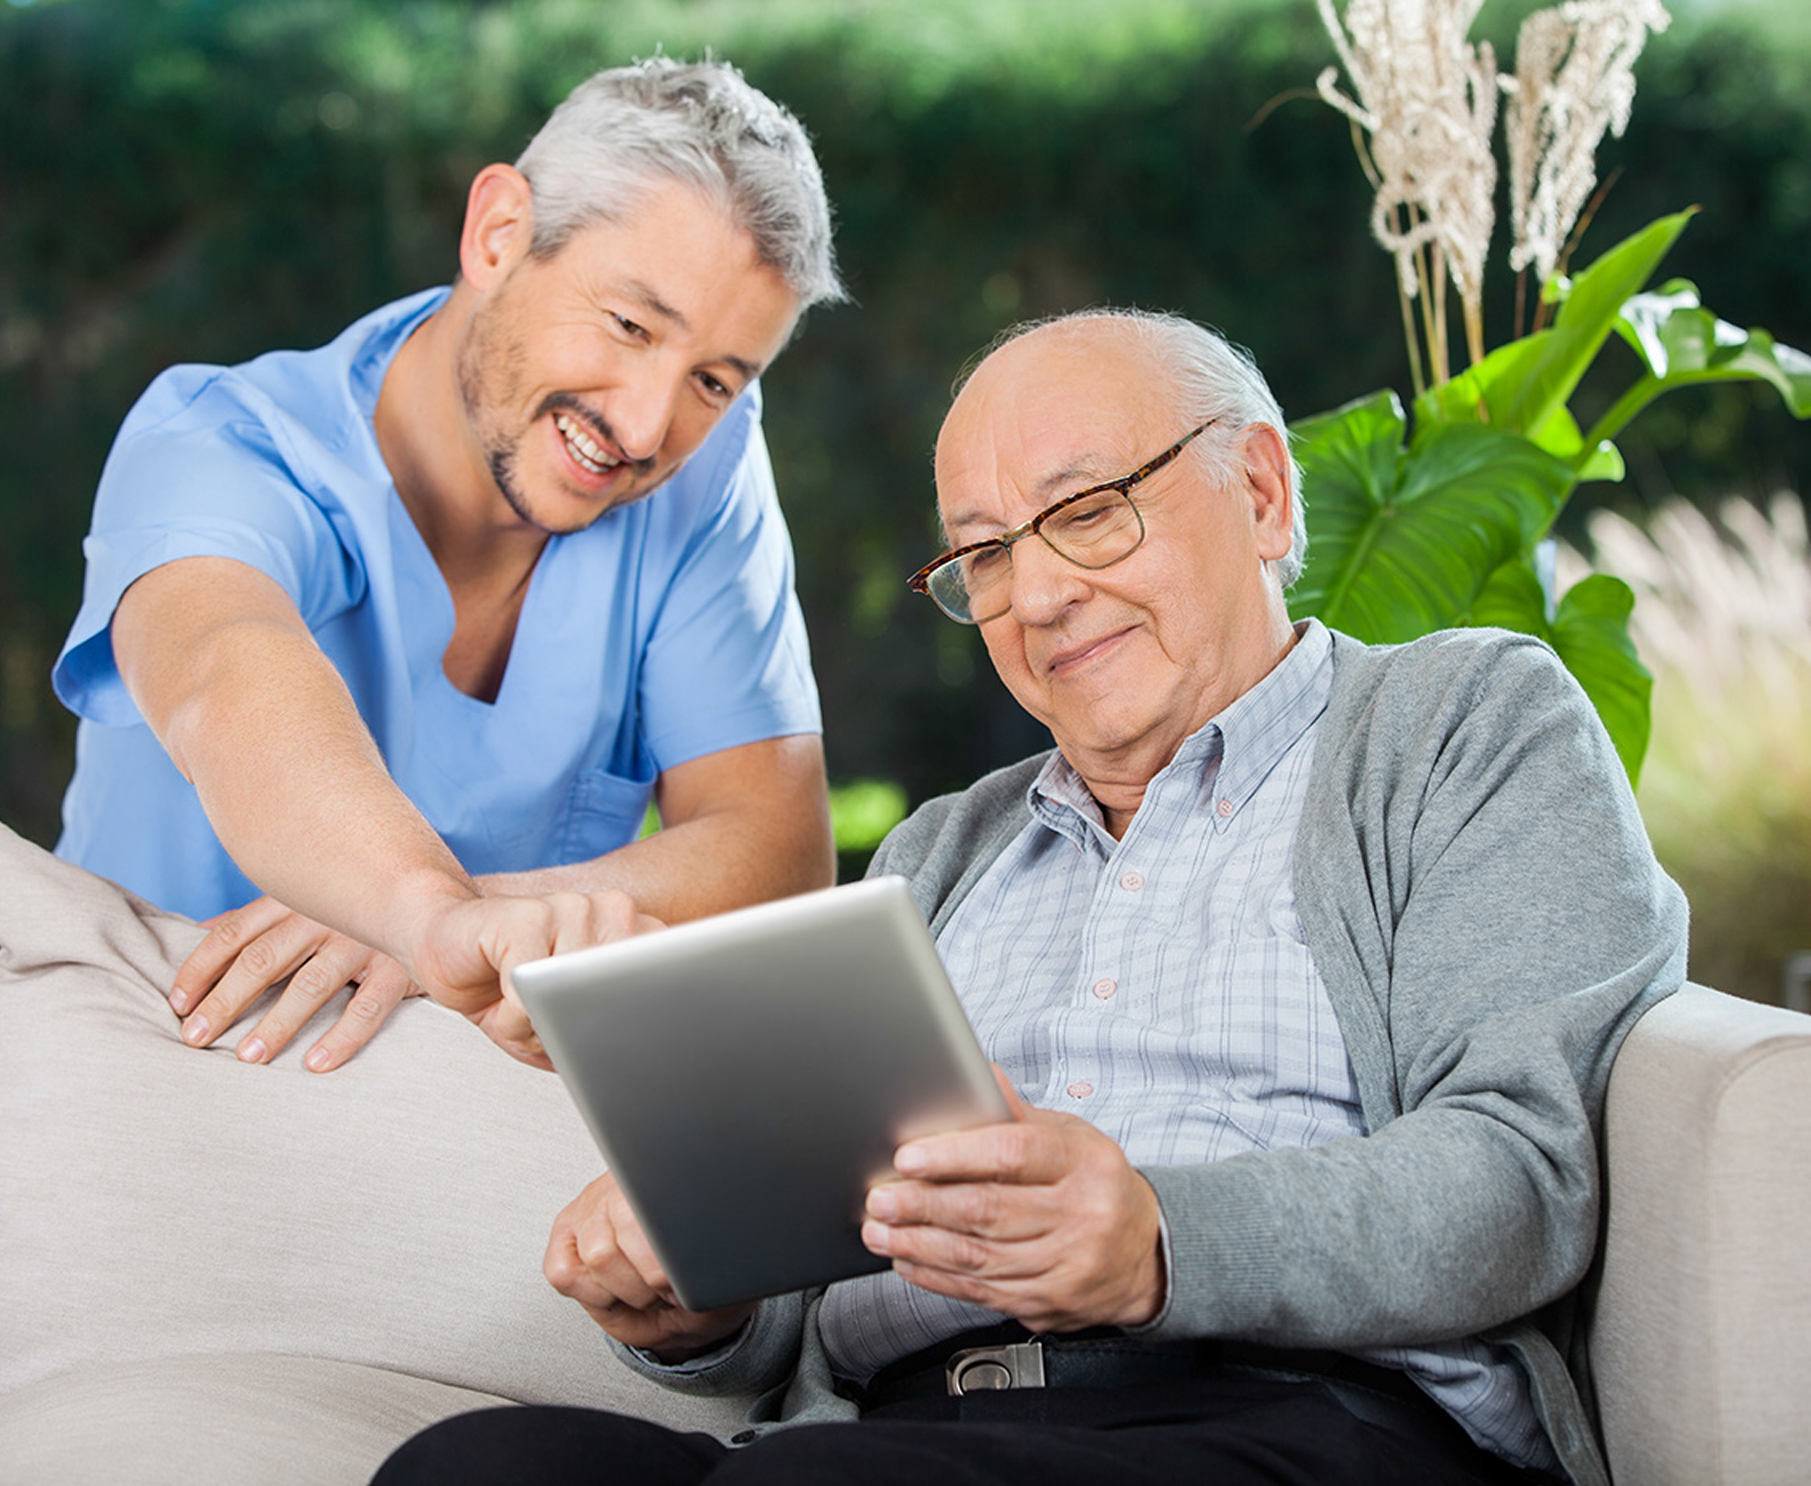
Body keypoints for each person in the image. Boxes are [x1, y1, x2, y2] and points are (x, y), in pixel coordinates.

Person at [372, 309, 1688, 1486]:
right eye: (986, 556)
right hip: (905, 1428)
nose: (1041, 593)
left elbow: (1520, 1177)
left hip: (1307, 1420)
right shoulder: (943, 853)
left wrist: (1161, 1238)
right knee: (473, 1465)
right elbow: (815, 1285)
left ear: (1265, 492)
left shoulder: (1459, 725)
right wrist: (697, 1303)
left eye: (1091, 508)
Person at [49, 59, 844, 1072]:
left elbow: (775, 856)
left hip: (468, 1113)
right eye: (630, 325)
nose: (647, 425)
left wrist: (458, 927)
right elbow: (225, 679)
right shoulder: (217, 446)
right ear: (499, 234)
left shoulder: (708, 468)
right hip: (161, 1054)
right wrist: (419, 910)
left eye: (715, 379)